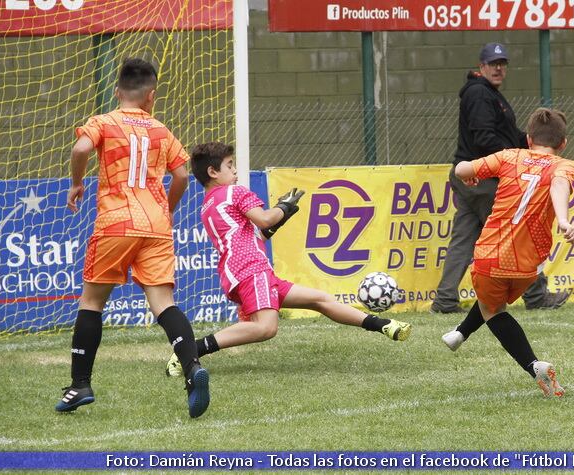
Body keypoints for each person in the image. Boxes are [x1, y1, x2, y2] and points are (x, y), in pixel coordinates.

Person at [163, 142, 411, 376]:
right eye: (229, 165)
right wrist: (283, 207)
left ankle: (384, 325)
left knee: (320, 300)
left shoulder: (208, 204)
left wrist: (278, 220)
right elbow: (264, 219)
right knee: (266, 328)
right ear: (213, 171)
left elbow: (253, 234)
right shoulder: (233, 192)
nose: (235, 170)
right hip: (251, 269)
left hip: (243, 270)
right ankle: (190, 352)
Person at [55, 58, 210, 418]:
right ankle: (192, 369)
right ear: (151, 95)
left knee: (92, 302)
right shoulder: (161, 129)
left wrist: (77, 183)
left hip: (116, 223)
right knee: (164, 303)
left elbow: (80, 150)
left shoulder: (103, 122)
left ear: (116, 90)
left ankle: (80, 385)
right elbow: (183, 176)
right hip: (155, 225)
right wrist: (166, 210)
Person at [441, 108, 574, 397]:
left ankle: (533, 366)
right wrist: (564, 220)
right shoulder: (563, 166)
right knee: (494, 299)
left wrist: (470, 174)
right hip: (529, 264)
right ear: (563, 143)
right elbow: (559, 185)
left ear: (528, 138)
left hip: (492, 254)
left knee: (493, 309)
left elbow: (461, 169)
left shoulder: (509, 156)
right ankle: (460, 333)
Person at [432, 42, 568, 317]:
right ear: (480, 66)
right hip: (479, 177)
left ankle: (445, 300)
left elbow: (507, 135)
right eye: (493, 64)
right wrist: (516, 157)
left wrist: (533, 144)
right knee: (518, 229)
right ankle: (537, 294)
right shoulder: (480, 94)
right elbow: (484, 138)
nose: (498, 68)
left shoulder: (488, 94)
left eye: (502, 64)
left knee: (463, 238)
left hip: (470, 172)